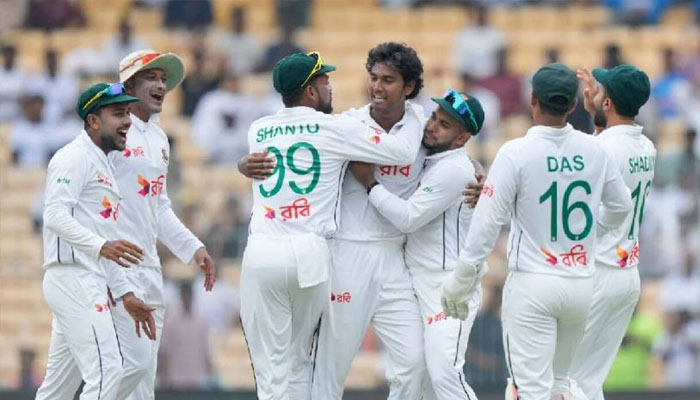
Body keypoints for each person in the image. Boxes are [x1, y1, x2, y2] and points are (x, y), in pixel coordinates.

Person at [441, 63, 634, 400]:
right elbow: (621, 207)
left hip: (533, 284)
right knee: (561, 385)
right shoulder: (595, 150)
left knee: (528, 390)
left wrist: (462, 279)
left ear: (532, 98)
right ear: (572, 105)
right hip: (580, 285)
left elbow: (487, 222)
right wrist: (589, 235)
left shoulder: (515, 152)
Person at [241, 51, 422, 400]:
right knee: (299, 360)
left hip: (263, 250)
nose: (330, 88)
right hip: (312, 253)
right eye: (324, 82)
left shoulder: (257, 130)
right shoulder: (337, 128)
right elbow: (402, 153)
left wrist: (241, 165)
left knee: (270, 368)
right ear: (311, 91)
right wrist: (415, 113)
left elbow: (264, 160)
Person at [349, 89, 485, 400]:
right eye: (434, 117)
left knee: (445, 373)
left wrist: (369, 183)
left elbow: (408, 218)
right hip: (415, 281)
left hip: (447, 287)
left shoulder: (454, 169)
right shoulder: (432, 153)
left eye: (444, 125)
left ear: (462, 138)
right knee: (413, 373)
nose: (432, 126)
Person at [36, 83, 157, 400]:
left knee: (57, 390)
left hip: (86, 278)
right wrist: (102, 247)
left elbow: (104, 240)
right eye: (118, 113)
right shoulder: (73, 157)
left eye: (127, 112)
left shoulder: (102, 163)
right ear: (93, 121)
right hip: (73, 277)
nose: (127, 121)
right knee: (108, 370)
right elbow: (54, 216)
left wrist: (125, 293)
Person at [109, 49, 216, 400]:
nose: (160, 86)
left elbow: (159, 207)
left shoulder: (158, 139)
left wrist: (193, 247)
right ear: (129, 85)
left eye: (163, 80)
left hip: (149, 268)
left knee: (144, 375)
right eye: (151, 78)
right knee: (131, 366)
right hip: (118, 266)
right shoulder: (112, 133)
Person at [569, 64, 656, 400]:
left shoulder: (602, 148)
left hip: (598, 272)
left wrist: (594, 113)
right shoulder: (646, 146)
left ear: (608, 103)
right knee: (588, 383)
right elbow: (607, 151)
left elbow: (598, 158)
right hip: (626, 275)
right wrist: (598, 113)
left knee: (561, 378)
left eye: (600, 90)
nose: (593, 92)